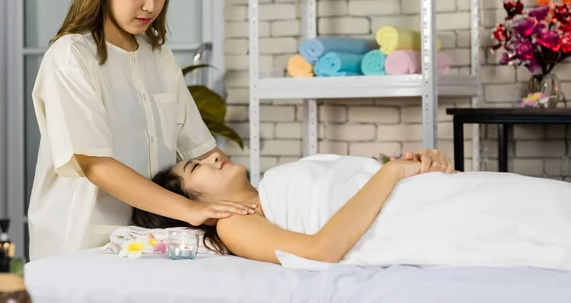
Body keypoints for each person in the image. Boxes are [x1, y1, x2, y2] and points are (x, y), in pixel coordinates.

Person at [27, 0, 256, 262]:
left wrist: (255, 203)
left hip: (145, 243)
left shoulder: (159, 58)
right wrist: (189, 211)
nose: (151, 6)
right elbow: (96, 165)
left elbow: (204, 151)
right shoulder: (71, 56)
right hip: (80, 239)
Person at [132, 150, 571, 271]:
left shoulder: (271, 185)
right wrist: (392, 173)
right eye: (197, 167)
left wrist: (418, 165)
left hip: (429, 197)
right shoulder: (232, 226)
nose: (214, 157)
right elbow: (321, 250)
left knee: (540, 200)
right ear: (193, 204)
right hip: (414, 218)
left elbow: (353, 185)